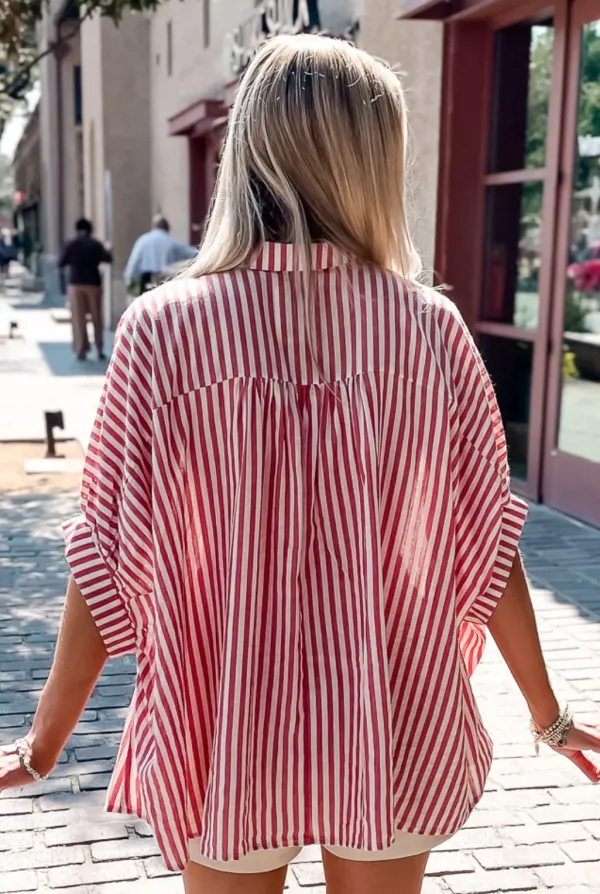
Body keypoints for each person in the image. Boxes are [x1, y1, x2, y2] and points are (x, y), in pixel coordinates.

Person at [1, 35, 599, 894]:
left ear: (246, 151)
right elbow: (486, 544)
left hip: (226, 717)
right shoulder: (430, 332)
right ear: (376, 162)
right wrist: (551, 713)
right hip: (391, 712)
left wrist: (44, 741)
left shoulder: (164, 331)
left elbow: (105, 554)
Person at [59, 218, 112, 361]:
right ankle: (99, 348)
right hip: (93, 283)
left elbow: (61, 262)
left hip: (75, 283)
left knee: (78, 318)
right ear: (90, 230)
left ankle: (81, 349)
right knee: (96, 316)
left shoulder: (72, 244)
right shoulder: (96, 244)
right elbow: (108, 258)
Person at [124, 214, 197, 294]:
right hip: (165, 282)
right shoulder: (172, 243)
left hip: (147, 281)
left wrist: (129, 280)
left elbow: (133, 263)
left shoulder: (142, 241)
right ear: (167, 228)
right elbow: (193, 253)